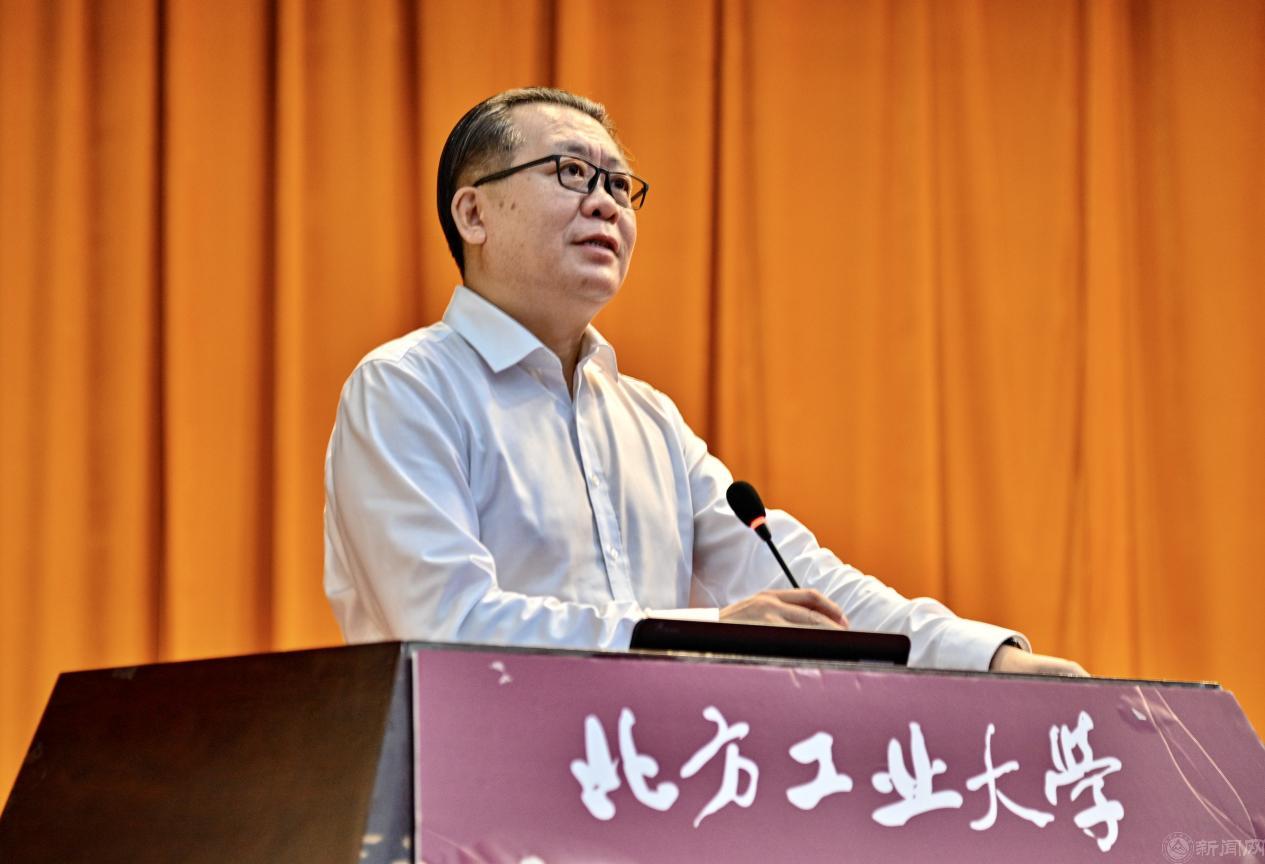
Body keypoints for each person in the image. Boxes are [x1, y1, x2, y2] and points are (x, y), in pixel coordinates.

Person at [323, 87, 1087, 676]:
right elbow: (448, 624)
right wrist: (709, 635)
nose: (604, 203)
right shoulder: (406, 390)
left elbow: (804, 585)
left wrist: (987, 658)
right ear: (472, 214)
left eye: (619, 186)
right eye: (571, 173)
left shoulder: (649, 421)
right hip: (462, 794)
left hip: (644, 788)